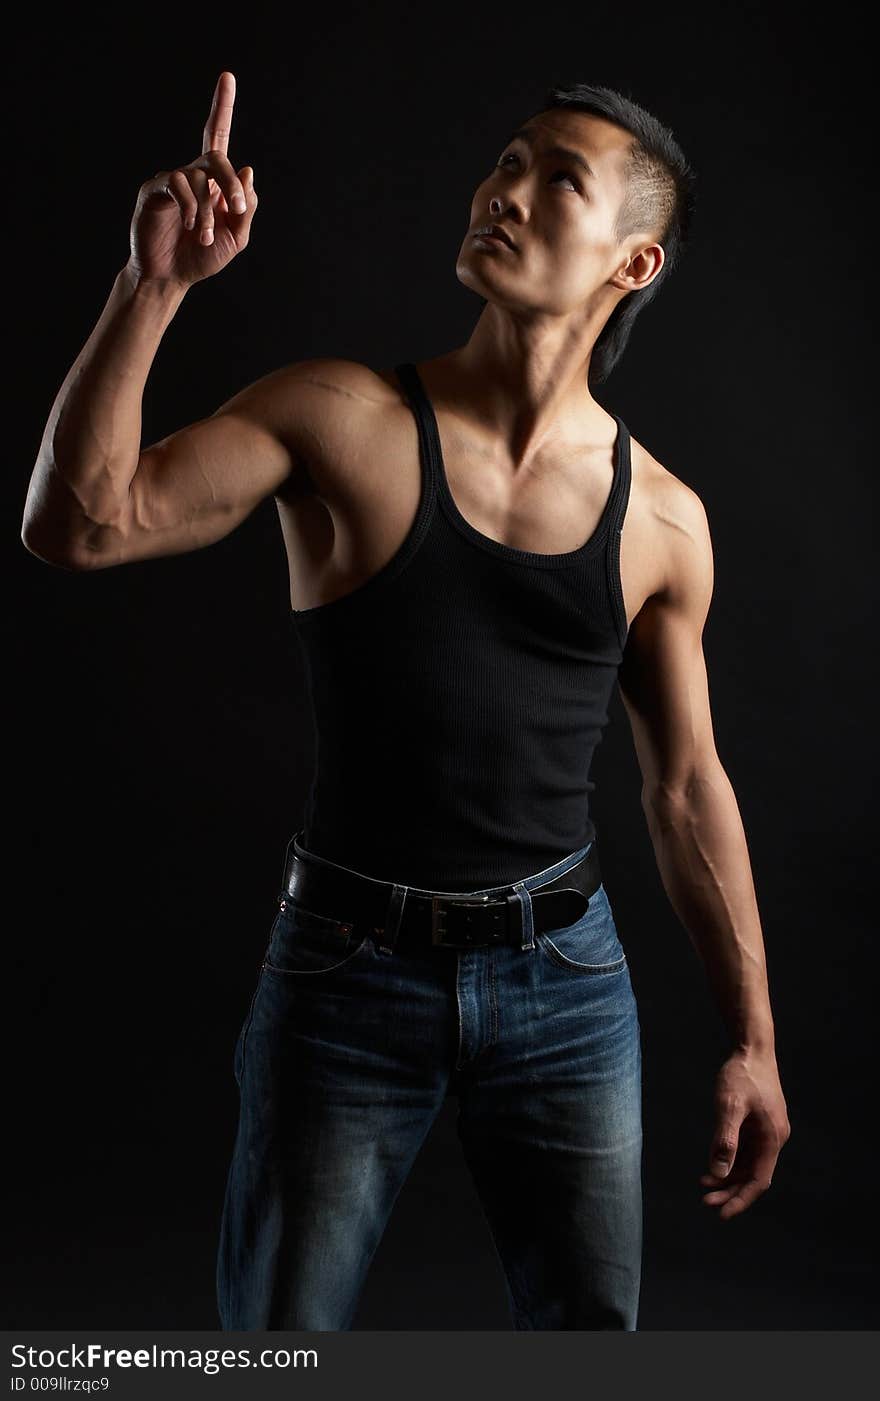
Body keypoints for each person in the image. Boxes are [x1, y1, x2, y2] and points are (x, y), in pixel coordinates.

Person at [21, 70, 791, 1331]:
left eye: (558, 179)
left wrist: (755, 1041)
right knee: (275, 1345)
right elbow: (83, 528)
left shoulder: (663, 521)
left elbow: (685, 784)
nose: (506, 189)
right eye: (506, 159)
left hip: (566, 982)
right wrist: (152, 288)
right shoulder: (342, 418)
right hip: (343, 974)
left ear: (633, 262)